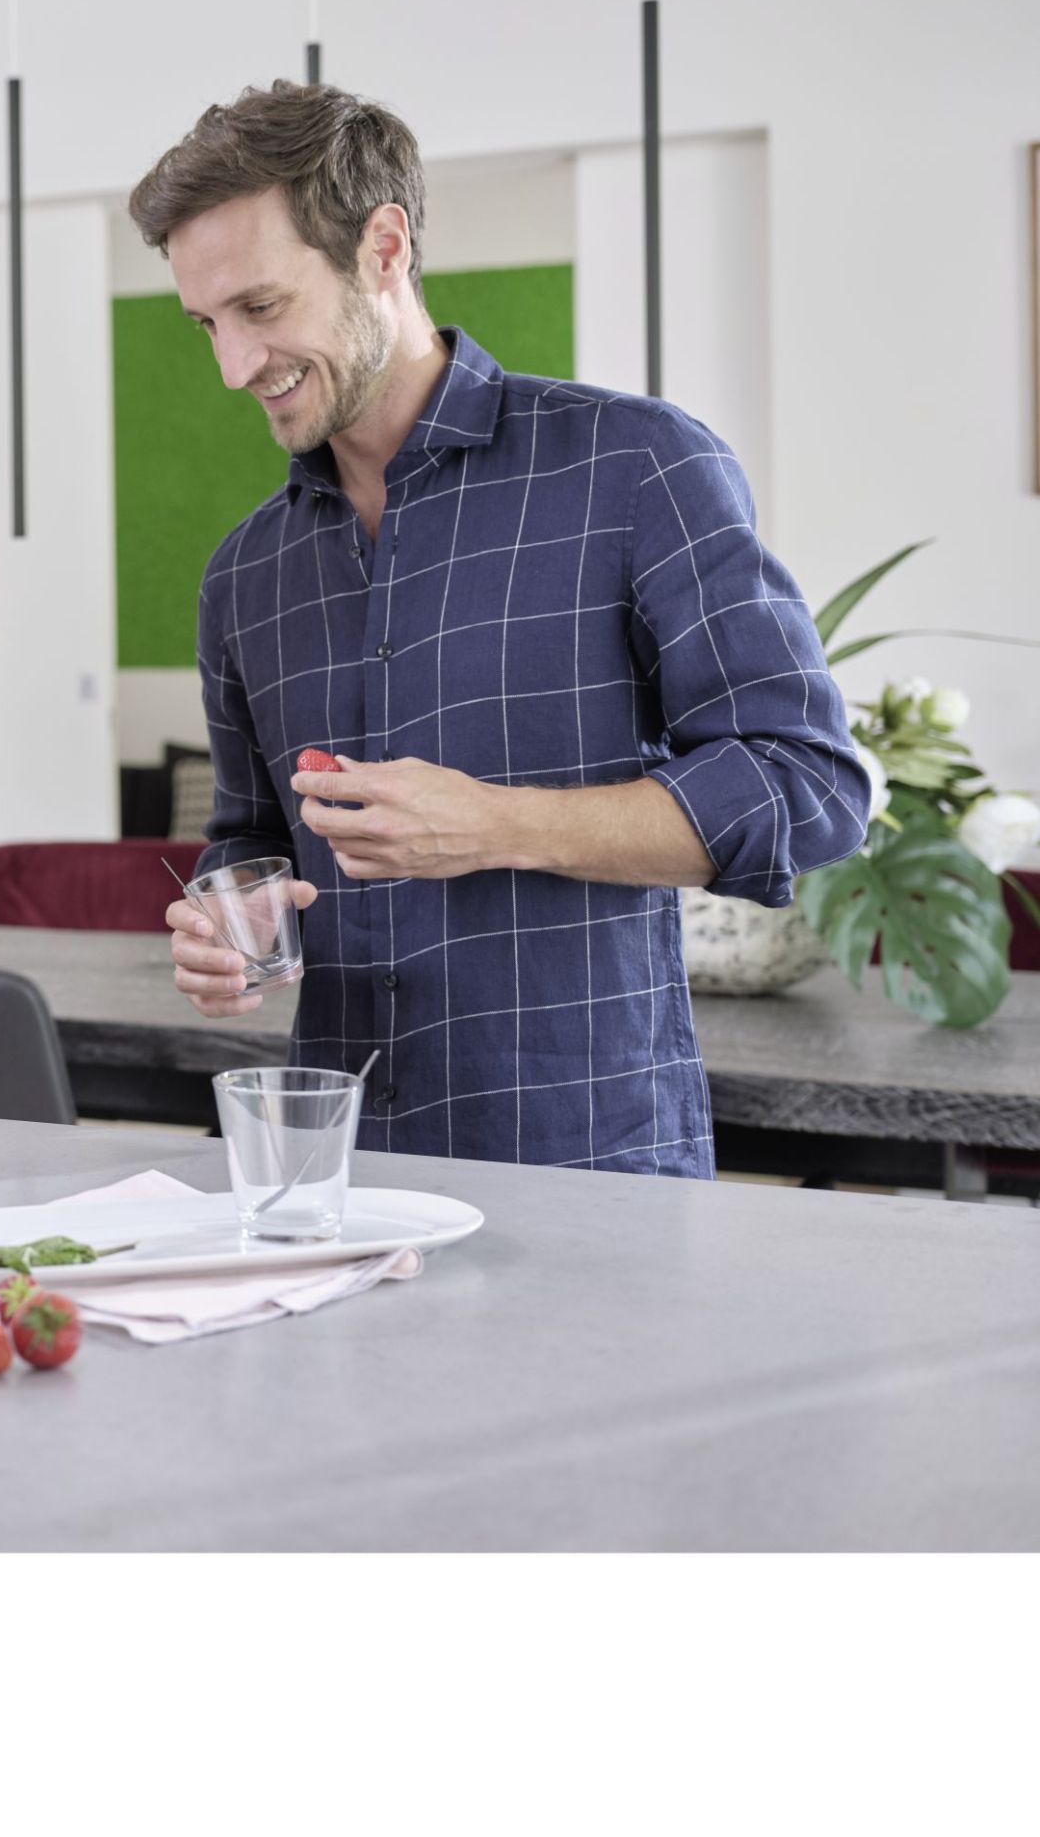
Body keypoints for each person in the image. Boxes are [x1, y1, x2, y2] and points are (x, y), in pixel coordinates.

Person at [129, 80, 869, 1176]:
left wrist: (495, 824)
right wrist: (233, 919)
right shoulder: (245, 573)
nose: (234, 366)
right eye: (207, 323)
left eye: (261, 307)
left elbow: (807, 786)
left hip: (585, 1166)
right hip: (339, 1176)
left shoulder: (634, 468)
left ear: (382, 248)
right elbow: (249, 833)